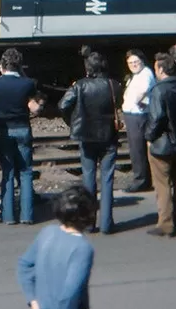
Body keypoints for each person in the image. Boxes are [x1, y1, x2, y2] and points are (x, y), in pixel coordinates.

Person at [58, 52, 123, 235]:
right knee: (108, 180)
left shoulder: (80, 85)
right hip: (109, 136)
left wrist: (73, 122)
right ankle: (107, 224)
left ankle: (88, 223)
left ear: (89, 68)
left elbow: (63, 105)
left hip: (86, 137)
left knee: (88, 179)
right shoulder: (114, 85)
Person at [17, 185, 97, 309]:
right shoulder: (82, 248)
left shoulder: (47, 232)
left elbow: (25, 265)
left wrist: (33, 301)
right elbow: (69, 296)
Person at [0, 48, 42, 225]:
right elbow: (34, 106)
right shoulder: (28, 83)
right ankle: (27, 215)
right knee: (26, 172)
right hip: (23, 129)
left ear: (2, 65)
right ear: (20, 66)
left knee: (8, 173)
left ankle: (8, 216)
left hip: (4, 130)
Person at [144, 52, 176, 237]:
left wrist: (149, 137)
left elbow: (157, 118)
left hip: (162, 144)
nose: (155, 71)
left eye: (156, 68)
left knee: (162, 184)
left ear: (162, 69)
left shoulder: (159, 90)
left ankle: (166, 223)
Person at [121, 49, 156, 193]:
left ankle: (141, 181)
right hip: (133, 115)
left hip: (138, 115)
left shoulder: (145, 73)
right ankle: (143, 179)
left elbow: (143, 90)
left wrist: (136, 102)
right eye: (130, 63)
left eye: (136, 62)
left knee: (137, 149)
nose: (133, 64)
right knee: (137, 148)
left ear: (142, 61)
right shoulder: (138, 74)